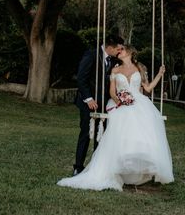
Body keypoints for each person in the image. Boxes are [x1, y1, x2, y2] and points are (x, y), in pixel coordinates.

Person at [58, 45, 174, 191]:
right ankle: (117, 166)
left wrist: (159, 74)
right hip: (120, 103)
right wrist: (121, 101)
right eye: (119, 50)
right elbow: (112, 92)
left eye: (123, 50)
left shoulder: (140, 69)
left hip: (139, 102)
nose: (119, 52)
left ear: (131, 53)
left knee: (142, 129)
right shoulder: (115, 70)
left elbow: (148, 88)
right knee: (121, 128)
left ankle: (138, 163)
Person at [71, 35, 124, 176]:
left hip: (105, 103)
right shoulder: (91, 55)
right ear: (109, 47)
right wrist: (89, 99)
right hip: (87, 103)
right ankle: (78, 167)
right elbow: (81, 78)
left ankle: (95, 167)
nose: (119, 51)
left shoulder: (114, 60)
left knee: (100, 135)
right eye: (118, 49)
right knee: (86, 133)